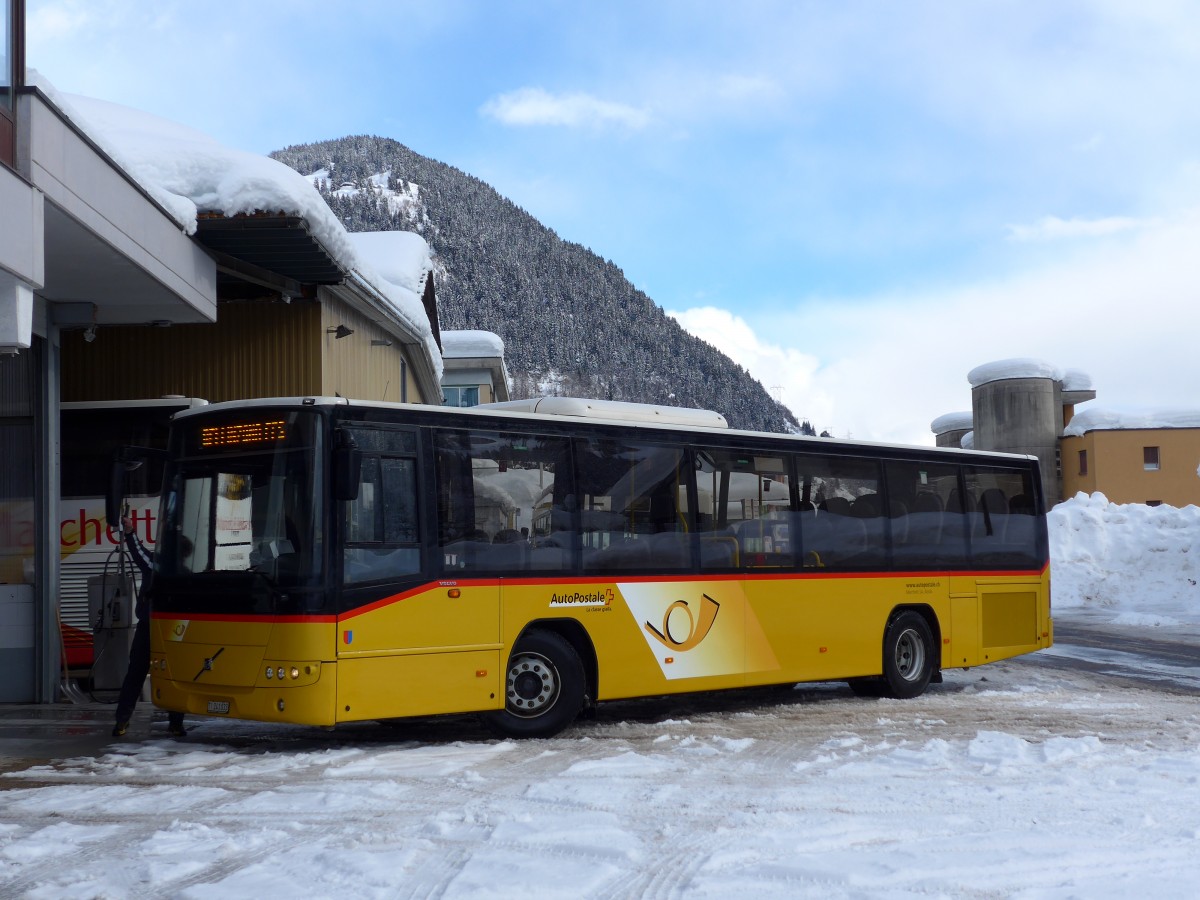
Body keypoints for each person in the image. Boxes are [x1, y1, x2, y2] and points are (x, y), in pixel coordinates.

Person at [112, 514, 186, 738]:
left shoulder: (156, 564)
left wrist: (130, 533)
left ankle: (122, 722)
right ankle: (176, 723)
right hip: (174, 629)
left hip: (149, 625)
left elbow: (139, 555)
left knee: (135, 673)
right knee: (174, 675)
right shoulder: (186, 571)